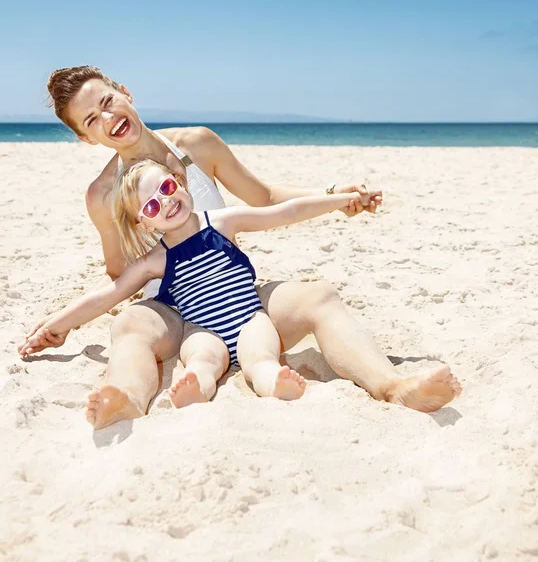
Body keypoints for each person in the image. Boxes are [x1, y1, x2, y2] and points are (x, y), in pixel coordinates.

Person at [20, 66, 461, 429]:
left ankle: (392, 386)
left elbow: (266, 199)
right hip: (173, 314)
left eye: (107, 101)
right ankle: (128, 402)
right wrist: (67, 320)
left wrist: (334, 196)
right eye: (91, 120)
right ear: (85, 137)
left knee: (317, 295)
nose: (107, 118)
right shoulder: (103, 195)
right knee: (130, 325)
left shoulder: (196, 143)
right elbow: (119, 275)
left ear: (125, 92)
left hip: (237, 293)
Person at [20, 160, 381, 406]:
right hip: (201, 328)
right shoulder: (154, 261)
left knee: (259, 356)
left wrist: (340, 200)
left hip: (249, 318)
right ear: (144, 225)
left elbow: (286, 212)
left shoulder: (222, 222)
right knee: (201, 360)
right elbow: (106, 296)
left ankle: (274, 384)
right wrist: (56, 326)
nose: (164, 202)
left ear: (179, 181)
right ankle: (195, 388)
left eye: (165, 186)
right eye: (150, 207)